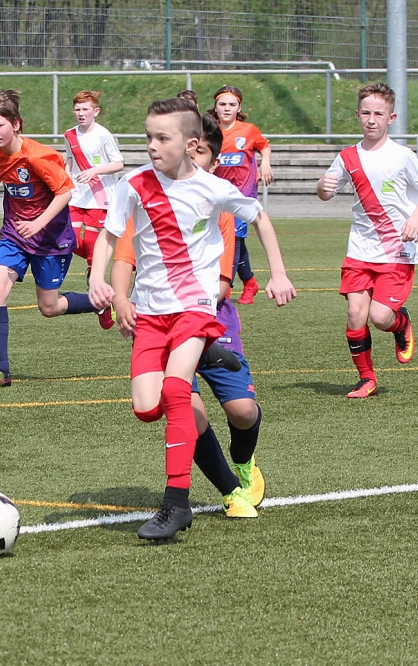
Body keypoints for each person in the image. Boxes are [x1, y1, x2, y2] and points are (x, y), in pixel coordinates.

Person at [89, 97, 296, 541]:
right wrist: (96, 279)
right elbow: (109, 235)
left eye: (162, 138)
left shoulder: (211, 188)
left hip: (194, 309)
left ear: (190, 143)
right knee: (147, 408)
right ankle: (206, 355)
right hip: (151, 313)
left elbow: (260, 217)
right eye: (148, 136)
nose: (152, 145)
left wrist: (278, 273)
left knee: (176, 391)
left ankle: (176, 504)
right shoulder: (133, 184)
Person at [0, 90, 109, 389]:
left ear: (16, 124)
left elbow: (65, 192)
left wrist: (39, 222)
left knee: (49, 307)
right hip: (15, 235)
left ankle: (104, 302)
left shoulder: (37, 156)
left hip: (50, 240)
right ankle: (0, 371)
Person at [316, 82, 418, 399]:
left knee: (380, 317)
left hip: (397, 248)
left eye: (379, 114)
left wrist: (416, 218)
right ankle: (366, 378)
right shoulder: (347, 156)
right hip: (360, 248)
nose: (372, 120)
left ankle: (401, 323)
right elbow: (326, 192)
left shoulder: (402, 156)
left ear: (391, 117)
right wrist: (322, 187)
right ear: (357, 115)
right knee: (355, 314)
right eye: (366, 113)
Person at [63, 90, 124, 328]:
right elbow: (69, 161)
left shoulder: (103, 135)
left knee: (91, 248)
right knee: (68, 240)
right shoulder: (70, 135)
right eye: (77, 109)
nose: (80, 113)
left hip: (100, 198)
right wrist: (65, 181)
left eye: (85, 109)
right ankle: (98, 288)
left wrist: (95, 170)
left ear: (95, 111)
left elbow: (118, 163)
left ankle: (101, 299)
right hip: (77, 197)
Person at [208, 85, 273, 305]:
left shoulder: (248, 130)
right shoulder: (211, 132)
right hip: (218, 194)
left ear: (239, 107)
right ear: (215, 107)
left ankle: (225, 289)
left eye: (232, 104)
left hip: (242, 194)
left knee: (234, 238)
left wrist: (265, 163)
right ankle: (250, 282)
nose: (227, 108)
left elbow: (264, 146)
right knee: (229, 238)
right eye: (222, 104)